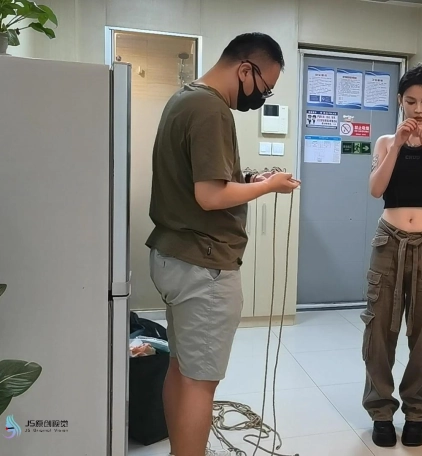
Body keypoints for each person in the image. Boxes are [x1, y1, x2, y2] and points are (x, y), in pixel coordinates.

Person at [145, 32, 299, 456]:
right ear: (245, 69)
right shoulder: (211, 108)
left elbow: (205, 179)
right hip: (204, 266)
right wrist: (270, 187)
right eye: (264, 87)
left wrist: (249, 179)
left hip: (174, 256)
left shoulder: (184, 98)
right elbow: (210, 196)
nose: (262, 97)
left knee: (181, 369)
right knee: (201, 383)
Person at [362, 64, 422, 448]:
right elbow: (376, 189)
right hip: (388, 242)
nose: (418, 109)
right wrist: (398, 146)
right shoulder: (386, 142)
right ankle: (381, 412)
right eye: (411, 101)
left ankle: (415, 412)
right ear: (400, 101)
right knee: (379, 330)